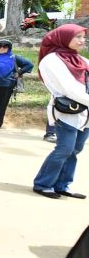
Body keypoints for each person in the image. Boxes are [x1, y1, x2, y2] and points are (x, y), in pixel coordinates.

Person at [32, 25, 89, 200]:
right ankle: (43, 184)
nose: (82, 40)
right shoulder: (51, 60)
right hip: (67, 111)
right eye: (77, 37)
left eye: (83, 37)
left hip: (85, 114)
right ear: (63, 38)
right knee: (65, 148)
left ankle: (62, 185)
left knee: (76, 149)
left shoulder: (82, 60)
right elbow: (68, 88)